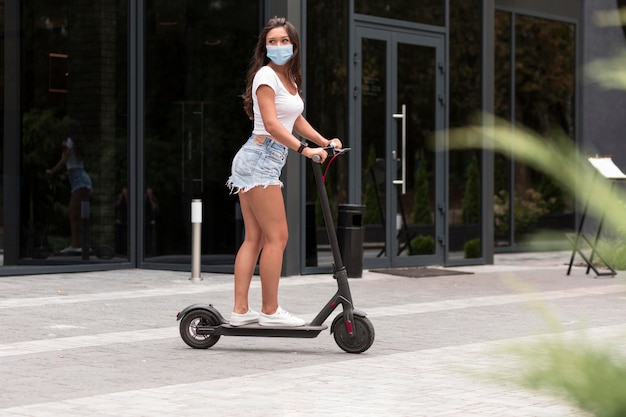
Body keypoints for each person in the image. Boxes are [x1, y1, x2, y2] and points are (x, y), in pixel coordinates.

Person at [226, 17, 342, 327]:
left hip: (260, 158)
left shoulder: (288, 78)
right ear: (265, 48)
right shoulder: (266, 76)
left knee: (256, 237)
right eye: (272, 42)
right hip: (260, 157)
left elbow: (295, 120)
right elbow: (274, 124)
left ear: (294, 46)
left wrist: (324, 141)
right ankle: (270, 311)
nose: (278, 46)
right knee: (278, 237)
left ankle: (240, 312)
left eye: (283, 41)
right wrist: (305, 151)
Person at [46, 119, 93, 254]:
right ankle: (80, 244)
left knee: (73, 213)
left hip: (79, 181)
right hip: (82, 179)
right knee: (79, 214)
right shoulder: (77, 144)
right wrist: (64, 176)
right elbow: (73, 166)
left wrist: (52, 171)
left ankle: (75, 244)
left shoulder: (68, 142)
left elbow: (65, 159)